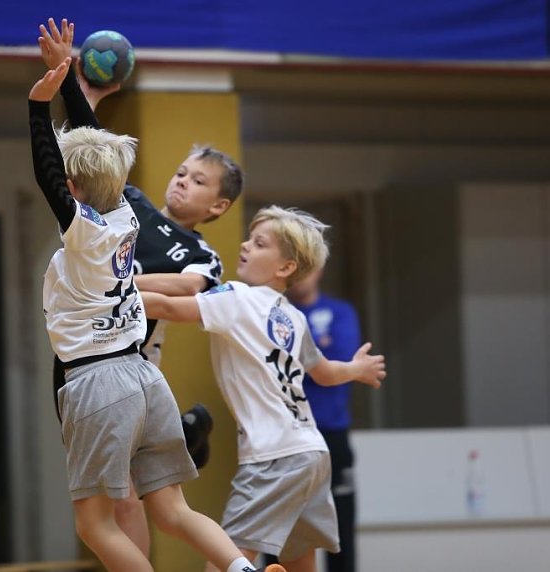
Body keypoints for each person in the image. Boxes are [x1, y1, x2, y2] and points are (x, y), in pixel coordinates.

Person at [28, 56, 277, 572]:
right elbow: (92, 152)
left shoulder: (83, 233)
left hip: (97, 381)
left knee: (94, 525)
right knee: (173, 510)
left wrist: (38, 104)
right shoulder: (125, 217)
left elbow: (48, 170)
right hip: (145, 377)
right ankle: (243, 570)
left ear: (71, 192)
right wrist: (71, 90)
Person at [141, 206, 386, 572]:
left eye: (259, 243)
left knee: (226, 559)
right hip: (313, 453)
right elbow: (324, 373)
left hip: (274, 457)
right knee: (300, 558)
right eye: (249, 238)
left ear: (285, 267)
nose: (245, 244)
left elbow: (168, 308)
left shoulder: (236, 297)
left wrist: (105, 292)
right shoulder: (294, 317)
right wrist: (355, 369)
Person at [286, 268, 361, 572]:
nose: (301, 277)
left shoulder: (339, 312)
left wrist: (305, 363)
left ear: (319, 270)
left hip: (332, 433)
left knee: (340, 528)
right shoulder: (274, 312)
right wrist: (321, 355)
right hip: (288, 436)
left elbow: (342, 363)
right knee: (281, 527)